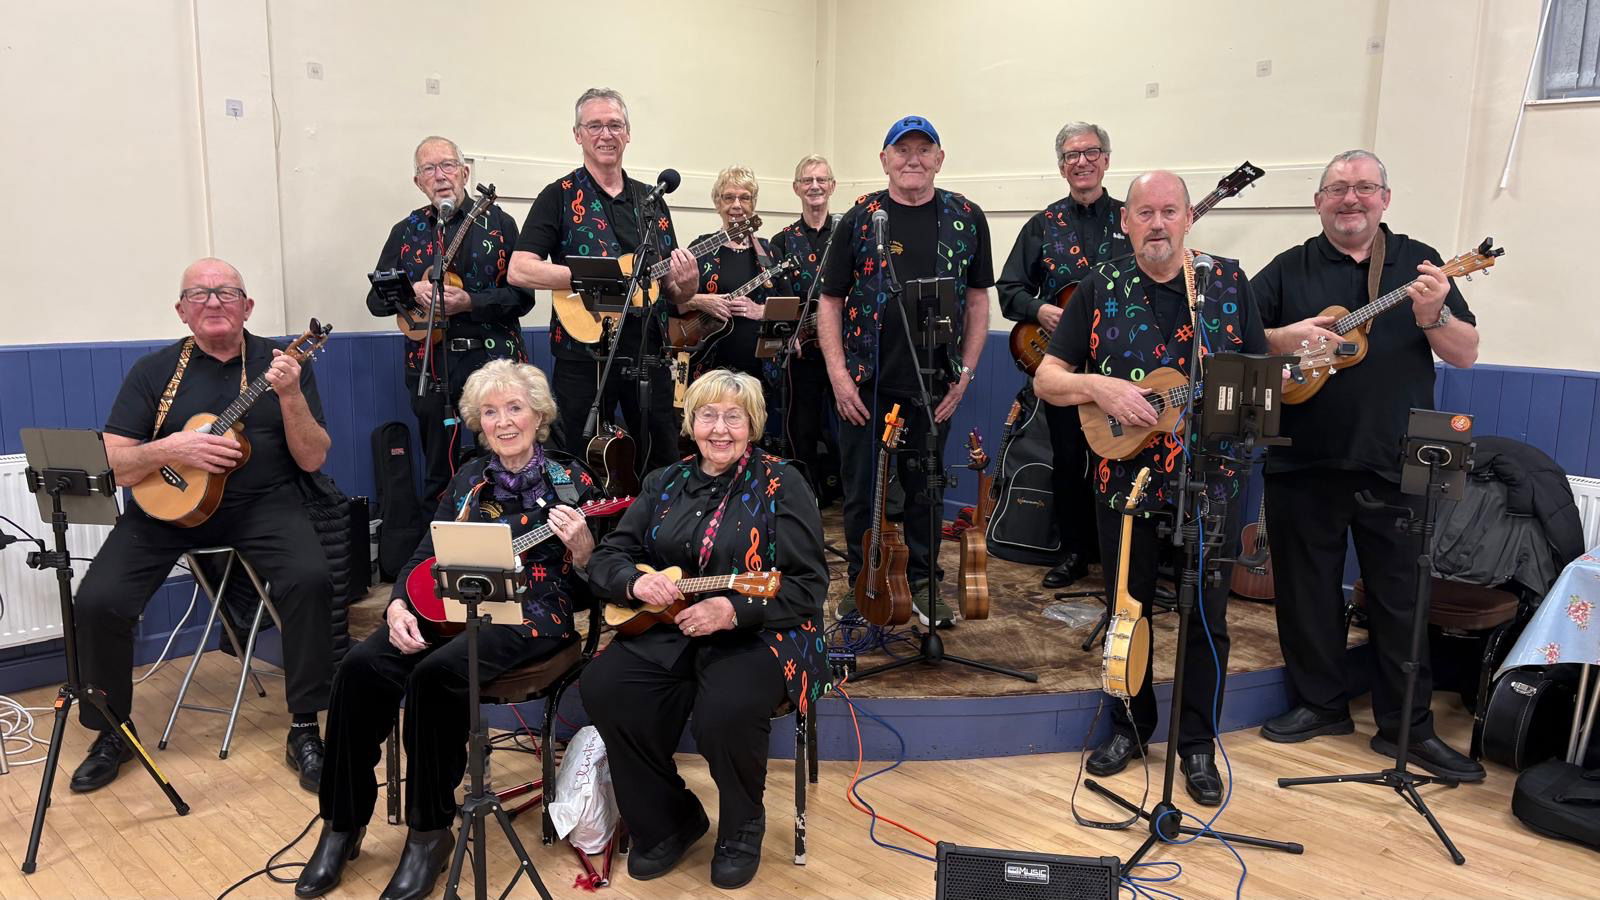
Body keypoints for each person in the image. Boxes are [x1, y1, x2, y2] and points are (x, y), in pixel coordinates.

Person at [295, 360, 602, 900]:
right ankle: (342, 823)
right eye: (490, 412)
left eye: (515, 408)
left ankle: (429, 832)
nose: (504, 422)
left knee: (435, 676)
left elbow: (594, 583)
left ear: (539, 414)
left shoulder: (573, 481)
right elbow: (424, 551)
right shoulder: (467, 479)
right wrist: (395, 605)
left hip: (534, 613)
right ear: (478, 423)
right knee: (361, 666)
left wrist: (581, 552)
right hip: (454, 608)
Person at [1035, 172, 1268, 806]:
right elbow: (1048, 379)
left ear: (1190, 217)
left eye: (1170, 211)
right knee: (1126, 613)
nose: (1157, 223)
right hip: (1125, 482)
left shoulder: (1224, 283)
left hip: (1211, 479)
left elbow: (1255, 380)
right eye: (1145, 212)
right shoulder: (1099, 286)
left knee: (1206, 619)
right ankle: (1129, 728)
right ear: (1126, 222)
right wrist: (1099, 387)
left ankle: (1197, 744)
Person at [1253, 149, 1484, 782]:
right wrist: (1286, 337)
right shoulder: (1288, 267)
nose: (1350, 199)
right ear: (1319, 201)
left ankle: (1406, 727)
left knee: (1402, 597)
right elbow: (1241, 336)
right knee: (1306, 593)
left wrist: (1432, 314)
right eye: (1337, 189)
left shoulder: (1421, 263)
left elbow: (1465, 354)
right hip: (1302, 456)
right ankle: (1320, 706)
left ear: (1385, 198)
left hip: (1398, 457)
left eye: (1364, 188)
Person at [70, 258, 333, 794]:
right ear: (182, 311)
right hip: (166, 510)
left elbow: (312, 460)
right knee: (97, 600)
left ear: (248, 306)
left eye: (227, 292)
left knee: (311, 580)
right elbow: (116, 462)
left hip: (262, 504)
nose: (213, 302)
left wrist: (290, 395)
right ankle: (112, 732)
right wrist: (173, 447)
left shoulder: (283, 364)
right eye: (199, 294)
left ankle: (305, 725)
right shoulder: (155, 370)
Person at [581, 369, 827, 890]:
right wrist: (633, 584)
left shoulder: (785, 483)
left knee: (726, 708)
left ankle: (742, 826)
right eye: (708, 416)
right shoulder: (664, 482)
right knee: (606, 687)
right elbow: (610, 555)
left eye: (732, 418)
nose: (720, 429)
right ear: (690, 424)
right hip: (670, 624)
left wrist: (734, 611)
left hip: (763, 630)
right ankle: (668, 819)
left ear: (752, 424)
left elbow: (807, 584)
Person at [818, 115, 994, 627]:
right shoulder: (860, 218)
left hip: (935, 383)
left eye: (924, 150)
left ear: (940, 158)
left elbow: (980, 300)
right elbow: (829, 301)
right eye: (902, 150)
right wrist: (838, 376)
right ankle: (861, 580)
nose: (913, 159)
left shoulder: (966, 217)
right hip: (865, 384)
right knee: (860, 492)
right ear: (884, 159)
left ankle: (922, 582)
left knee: (927, 489)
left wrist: (965, 375)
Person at [509, 87, 699, 470]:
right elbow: (519, 268)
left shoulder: (651, 201)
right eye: (594, 125)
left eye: (614, 125)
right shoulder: (558, 196)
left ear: (628, 134)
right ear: (577, 134)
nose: (605, 134)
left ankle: (658, 527)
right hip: (583, 351)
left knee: (661, 452)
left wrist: (689, 281)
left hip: (648, 349)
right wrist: (595, 278)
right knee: (577, 456)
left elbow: (675, 291)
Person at [997, 122, 1130, 588]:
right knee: (1069, 462)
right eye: (1072, 156)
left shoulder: (1133, 218)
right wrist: (1042, 309)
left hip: (1125, 366)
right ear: (1061, 167)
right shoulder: (1042, 225)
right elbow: (1009, 290)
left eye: (1091, 153)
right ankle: (1074, 552)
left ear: (1106, 160)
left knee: (1125, 461)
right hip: (1064, 369)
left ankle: (1120, 557)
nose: (1082, 162)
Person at [367, 135, 535, 502]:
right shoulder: (406, 231)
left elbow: (523, 297)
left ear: (464, 172)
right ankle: (441, 549)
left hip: (494, 364)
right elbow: (375, 301)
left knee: (503, 462)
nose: (440, 175)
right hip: (430, 369)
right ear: (418, 182)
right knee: (439, 471)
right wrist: (412, 290)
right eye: (429, 168)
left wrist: (469, 302)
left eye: (447, 165)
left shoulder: (499, 223)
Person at [675, 166, 794, 414]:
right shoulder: (701, 247)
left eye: (745, 197)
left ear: (753, 204)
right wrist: (700, 300)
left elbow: (790, 308)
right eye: (729, 197)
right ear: (718, 203)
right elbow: (673, 299)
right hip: (707, 365)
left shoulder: (769, 252)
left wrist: (760, 310)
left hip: (758, 368)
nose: (736, 205)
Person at [768, 154, 843, 502]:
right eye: (807, 180)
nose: (815, 186)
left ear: (832, 186)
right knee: (802, 430)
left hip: (843, 353)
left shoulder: (846, 235)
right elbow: (777, 301)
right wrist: (789, 333)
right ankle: (802, 500)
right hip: (802, 357)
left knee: (849, 428)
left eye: (821, 180)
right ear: (797, 188)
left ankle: (850, 497)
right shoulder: (780, 242)